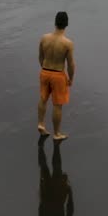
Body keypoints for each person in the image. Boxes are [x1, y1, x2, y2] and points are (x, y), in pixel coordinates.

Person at [37, 11, 76, 141]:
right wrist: (71, 78)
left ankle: (41, 123)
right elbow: (70, 64)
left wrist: (44, 69)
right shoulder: (67, 43)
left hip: (44, 71)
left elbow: (40, 57)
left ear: (55, 22)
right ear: (66, 24)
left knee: (43, 99)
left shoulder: (44, 38)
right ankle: (57, 133)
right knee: (57, 105)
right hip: (58, 75)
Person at [37, 139, 75, 216]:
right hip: (47, 197)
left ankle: (55, 145)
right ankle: (40, 147)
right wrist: (42, 198)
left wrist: (70, 192)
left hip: (58, 197)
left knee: (57, 168)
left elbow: (70, 209)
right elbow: (40, 212)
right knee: (44, 169)